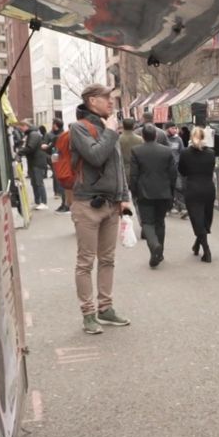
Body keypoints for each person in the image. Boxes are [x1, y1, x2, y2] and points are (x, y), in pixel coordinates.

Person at [69, 83, 133, 335]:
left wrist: (124, 197)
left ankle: (105, 308)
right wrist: (109, 133)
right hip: (87, 203)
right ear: (91, 101)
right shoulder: (78, 128)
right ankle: (88, 314)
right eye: (106, 97)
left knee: (108, 260)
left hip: (110, 204)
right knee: (85, 261)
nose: (111, 102)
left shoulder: (110, 130)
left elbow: (118, 168)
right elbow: (95, 157)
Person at [130, 125, 177, 268]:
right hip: (163, 192)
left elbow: (133, 175)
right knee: (160, 222)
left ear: (143, 137)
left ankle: (155, 246)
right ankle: (159, 252)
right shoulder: (167, 151)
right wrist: (171, 192)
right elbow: (173, 174)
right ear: (156, 136)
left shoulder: (137, 151)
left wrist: (134, 193)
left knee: (147, 223)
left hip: (145, 192)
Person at [179, 127, 217, 263]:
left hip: (193, 188)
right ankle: (197, 244)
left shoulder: (185, 153)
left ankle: (206, 250)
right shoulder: (211, 153)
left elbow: (182, 171)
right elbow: (211, 168)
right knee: (205, 219)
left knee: (197, 219)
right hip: (208, 188)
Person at [16, 119, 50, 209]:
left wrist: (19, 152)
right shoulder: (29, 134)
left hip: (37, 162)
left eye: (22, 126)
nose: (21, 128)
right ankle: (37, 201)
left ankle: (44, 202)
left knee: (38, 182)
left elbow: (30, 147)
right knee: (34, 182)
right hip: (33, 161)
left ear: (27, 126)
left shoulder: (33, 134)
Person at [41, 118, 68, 212]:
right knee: (59, 179)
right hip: (59, 159)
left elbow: (49, 147)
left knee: (61, 180)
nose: (53, 126)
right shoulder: (55, 135)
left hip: (60, 161)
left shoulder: (60, 136)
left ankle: (65, 204)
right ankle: (61, 199)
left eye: (54, 124)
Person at [118, 118, 144, 183]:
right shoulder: (140, 139)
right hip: (137, 171)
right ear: (133, 126)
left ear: (123, 126)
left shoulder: (118, 139)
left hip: (122, 170)